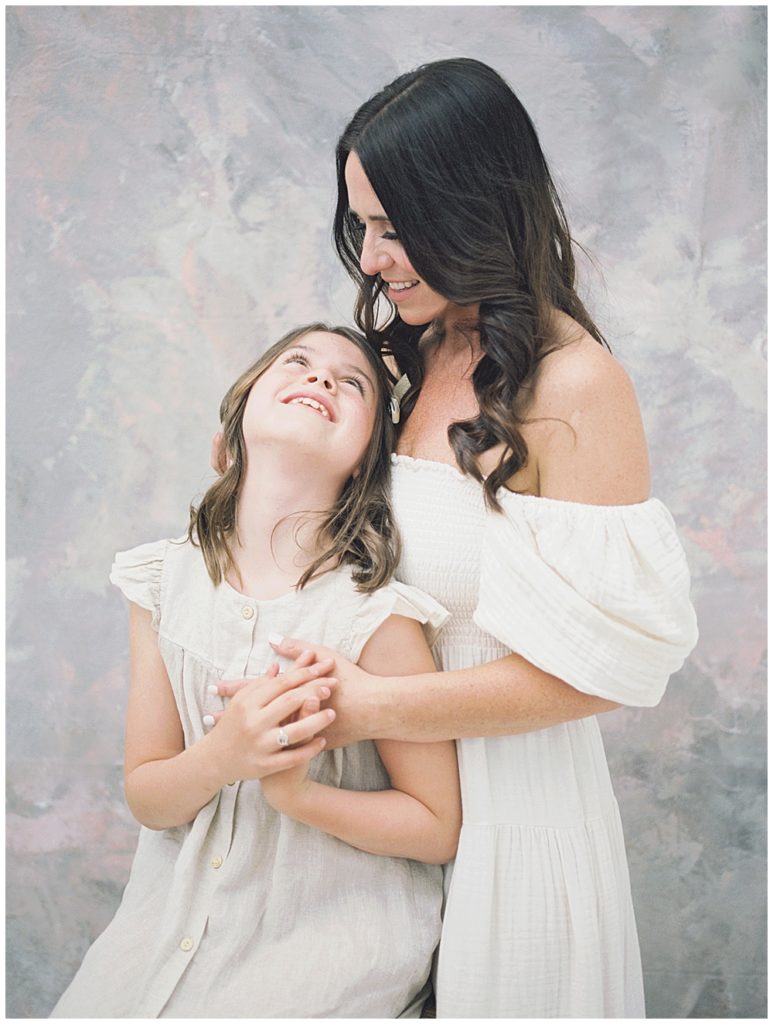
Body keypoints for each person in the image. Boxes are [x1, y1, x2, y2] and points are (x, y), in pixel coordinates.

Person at [266, 59, 700, 1018]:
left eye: (392, 226)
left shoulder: (574, 385)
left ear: (472, 206)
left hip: (515, 820)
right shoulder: (405, 359)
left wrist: (374, 706)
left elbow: (596, 673)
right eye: (361, 226)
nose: (370, 260)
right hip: (379, 824)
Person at [51, 323, 460, 1019]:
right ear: (237, 421)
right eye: (296, 363)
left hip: (322, 962)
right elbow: (150, 796)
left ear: (367, 459)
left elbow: (435, 824)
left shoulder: (376, 618)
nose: (321, 379)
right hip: (156, 946)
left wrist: (298, 796)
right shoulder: (162, 584)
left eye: (351, 382)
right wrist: (220, 756)